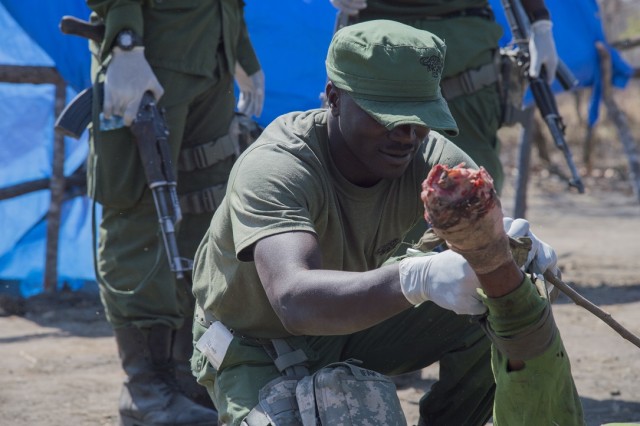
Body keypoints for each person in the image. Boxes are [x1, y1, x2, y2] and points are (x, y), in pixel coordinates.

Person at [190, 20, 584, 425]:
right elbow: (294, 300)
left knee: (495, 303)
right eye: (387, 116)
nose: (407, 136)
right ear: (334, 98)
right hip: (255, 343)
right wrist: (416, 278)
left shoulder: (433, 161)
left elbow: (492, 251)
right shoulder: (278, 167)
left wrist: (507, 252)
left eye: (420, 117)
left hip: (352, 325)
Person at [85, 1, 264, 424]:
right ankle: (146, 388)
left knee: (205, 215)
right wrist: (125, 40)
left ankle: (189, 380)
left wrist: (239, 47)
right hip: (149, 53)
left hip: (211, 52)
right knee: (140, 214)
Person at [329, 0, 560, 253]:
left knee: (471, 187)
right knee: (369, 174)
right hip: (375, 43)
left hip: (463, 47)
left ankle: (473, 264)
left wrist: (540, 20)